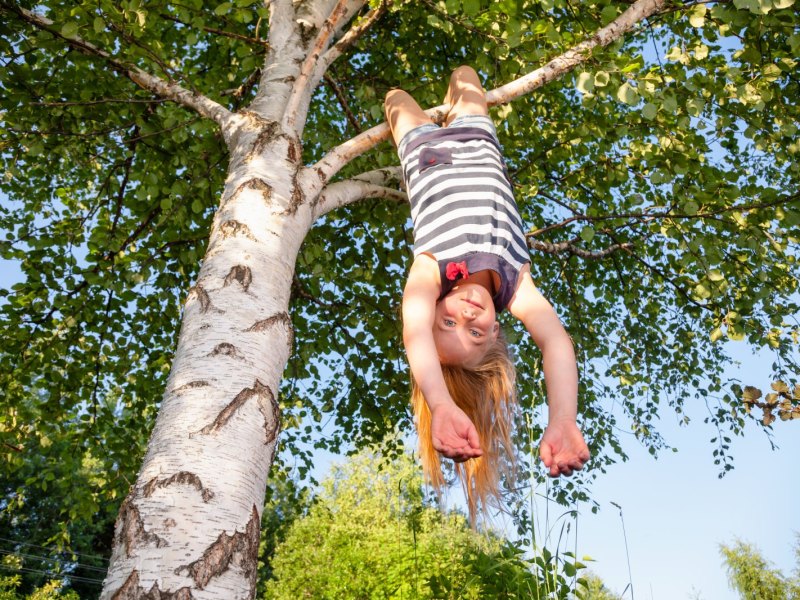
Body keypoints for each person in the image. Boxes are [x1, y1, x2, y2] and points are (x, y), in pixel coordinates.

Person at [385, 66, 590, 519]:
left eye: (449, 322)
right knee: (464, 76)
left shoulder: (430, 270)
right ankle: (457, 92)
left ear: (436, 306)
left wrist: (440, 403)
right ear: (496, 333)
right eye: (475, 335)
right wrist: (563, 418)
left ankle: (405, 99)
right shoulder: (518, 287)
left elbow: (413, 330)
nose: (468, 317)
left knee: (397, 98)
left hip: (423, 154)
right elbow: (555, 341)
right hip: (478, 142)